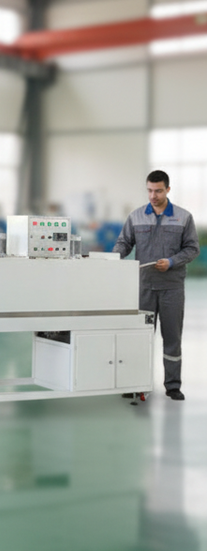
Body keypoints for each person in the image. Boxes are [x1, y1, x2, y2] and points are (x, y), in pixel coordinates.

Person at [114, 170, 199, 400]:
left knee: (172, 338)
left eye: (158, 191)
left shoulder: (183, 217)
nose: (153, 195)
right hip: (144, 287)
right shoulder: (136, 216)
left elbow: (192, 249)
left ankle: (172, 386)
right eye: (150, 191)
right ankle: (135, 384)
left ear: (168, 190)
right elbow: (124, 243)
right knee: (140, 338)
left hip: (172, 288)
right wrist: (113, 258)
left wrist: (171, 262)